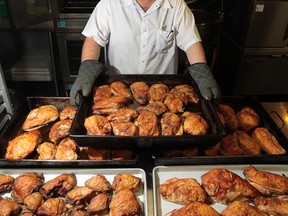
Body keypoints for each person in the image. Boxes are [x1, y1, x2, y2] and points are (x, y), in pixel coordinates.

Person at [70, 0, 221, 105]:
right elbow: (94, 40)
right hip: (120, 89)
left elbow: (191, 42)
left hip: (162, 91)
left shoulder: (176, 5)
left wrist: (202, 71)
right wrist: (87, 69)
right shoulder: (109, 4)